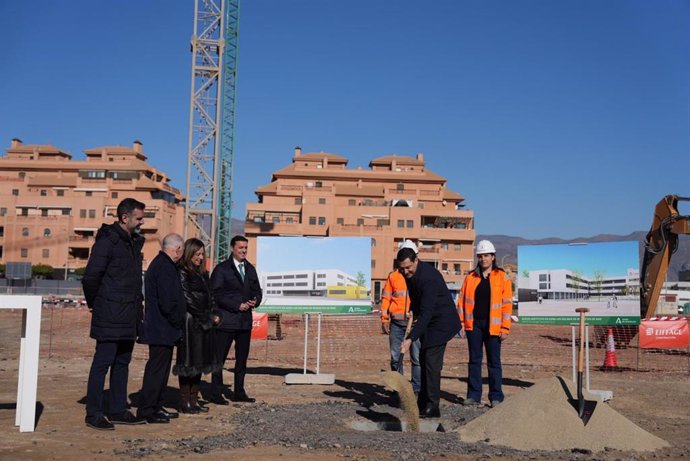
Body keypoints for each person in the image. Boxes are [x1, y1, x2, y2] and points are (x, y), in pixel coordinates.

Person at [82, 198, 147, 430]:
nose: (142, 222)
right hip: (109, 313)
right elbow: (91, 277)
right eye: (139, 218)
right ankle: (94, 413)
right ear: (125, 218)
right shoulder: (108, 241)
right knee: (103, 363)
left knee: (122, 363)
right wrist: (96, 304)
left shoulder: (133, 243)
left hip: (128, 315)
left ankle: (118, 409)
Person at [398, 246, 462, 419]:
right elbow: (416, 297)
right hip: (429, 320)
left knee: (431, 363)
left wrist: (411, 338)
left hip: (442, 321)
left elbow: (427, 313)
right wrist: (413, 309)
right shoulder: (408, 274)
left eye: (408, 267)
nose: (405, 271)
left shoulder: (429, 278)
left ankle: (433, 406)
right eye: (402, 268)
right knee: (425, 358)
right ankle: (423, 403)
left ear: (416, 261)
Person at [457, 239, 513, 407]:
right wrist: (461, 323)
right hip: (474, 325)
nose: (483, 259)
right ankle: (473, 396)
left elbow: (507, 304)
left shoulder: (502, 277)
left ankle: (496, 396)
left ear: (493, 257)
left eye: (486, 255)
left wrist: (505, 327)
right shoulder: (470, 277)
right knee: (474, 360)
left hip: (494, 327)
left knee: (494, 362)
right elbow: (461, 301)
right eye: (480, 256)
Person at [137, 233, 186, 424]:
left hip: (163, 328)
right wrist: (178, 321)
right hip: (162, 328)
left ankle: (156, 406)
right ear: (178, 249)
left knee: (162, 370)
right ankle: (148, 409)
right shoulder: (164, 267)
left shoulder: (162, 264)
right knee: (157, 371)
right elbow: (168, 302)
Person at [210, 235, 262, 403]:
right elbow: (215, 293)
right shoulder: (222, 269)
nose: (244, 251)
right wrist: (236, 305)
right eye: (240, 248)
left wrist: (256, 300)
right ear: (232, 248)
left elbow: (257, 290)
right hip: (226, 322)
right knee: (219, 359)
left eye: (245, 248)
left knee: (241, 360)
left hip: (244, 323)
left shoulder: (250, 269)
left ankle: (239, 392)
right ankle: (216, 393)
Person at [175, 238, 224, 413]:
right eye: (197, 254)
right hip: (190, 322)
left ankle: (194, 400)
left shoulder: (203, 273)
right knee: (188, 362)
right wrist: (205, 317)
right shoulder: (182, 271)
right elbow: (187, 298)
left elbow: (210, 295)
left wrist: (214, 314)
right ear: (189, 253)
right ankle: (185, 401)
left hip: (204, 322)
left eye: (202, 254)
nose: (201, 257)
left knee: (200, 362)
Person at [381, 240, 420, 395]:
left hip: (415, 322)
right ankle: (400, 389)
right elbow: (386, 298)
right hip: (396, 323)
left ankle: (416, 389)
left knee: (416, 358)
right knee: (396, 357)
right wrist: (384, 318)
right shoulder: (393, 277)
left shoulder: (419, 276)